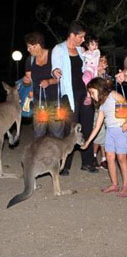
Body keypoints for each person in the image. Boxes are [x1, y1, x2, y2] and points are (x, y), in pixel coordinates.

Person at [52, 21, 98, 176]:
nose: (83, 40)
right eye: (81, 36)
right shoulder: (58, 49)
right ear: (73, 35)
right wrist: (56, 71)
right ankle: (65, 164)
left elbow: (88, 69)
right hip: (68, 95)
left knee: (87, 126)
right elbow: (55, 67)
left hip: (84, 93)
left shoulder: (80, 50)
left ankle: (87, 162)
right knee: (70, 129)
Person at [81, 77, 127, 197]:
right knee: (109, 157)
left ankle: (126, 186)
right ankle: (114, 184)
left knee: (121, 158)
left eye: (92, 92)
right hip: (110, 132)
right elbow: (97, 127)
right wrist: (87, 142)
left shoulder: (113, 95)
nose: (91, 96)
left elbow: (125, 105)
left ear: (99, 88)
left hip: (121, 131)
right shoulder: (102, 106)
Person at [22, 32, 64, 139]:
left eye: (30, 47)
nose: (28, 50)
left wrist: (49, 82)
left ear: (38, 45)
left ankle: (56, 155)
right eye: (27, 47)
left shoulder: (53, 55)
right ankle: (40, 155)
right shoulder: (30, 60)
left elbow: (61, 78)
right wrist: (26, 81)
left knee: (57, 132)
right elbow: (29, 80)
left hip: (55, 101)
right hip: (39, 102)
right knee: (39, 132)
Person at [92, 54, 110, 169]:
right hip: (97, 108)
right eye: (100, 60)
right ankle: (93, 157)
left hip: (106, 107)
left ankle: (104, 159)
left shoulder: (107, 77)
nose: (102, 62)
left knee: (106, 134)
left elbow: (109, 89)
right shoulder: (94, 75)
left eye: (104, 61)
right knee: (98, 132)